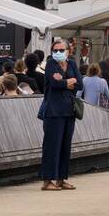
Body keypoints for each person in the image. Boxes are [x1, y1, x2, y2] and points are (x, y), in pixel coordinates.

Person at [38, 38, 80, 191]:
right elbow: (54, 84)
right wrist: (68, 82)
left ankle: (61, 178)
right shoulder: (50, 64)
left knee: (65, 146)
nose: (58, 53)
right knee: (51, 146)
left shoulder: (73, 64)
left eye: (61, 50)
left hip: (69, 110)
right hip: (53, 111)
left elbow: (79, 83)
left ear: (68, 51)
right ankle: (48, 180)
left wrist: (64, 81)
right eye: (55, 50)